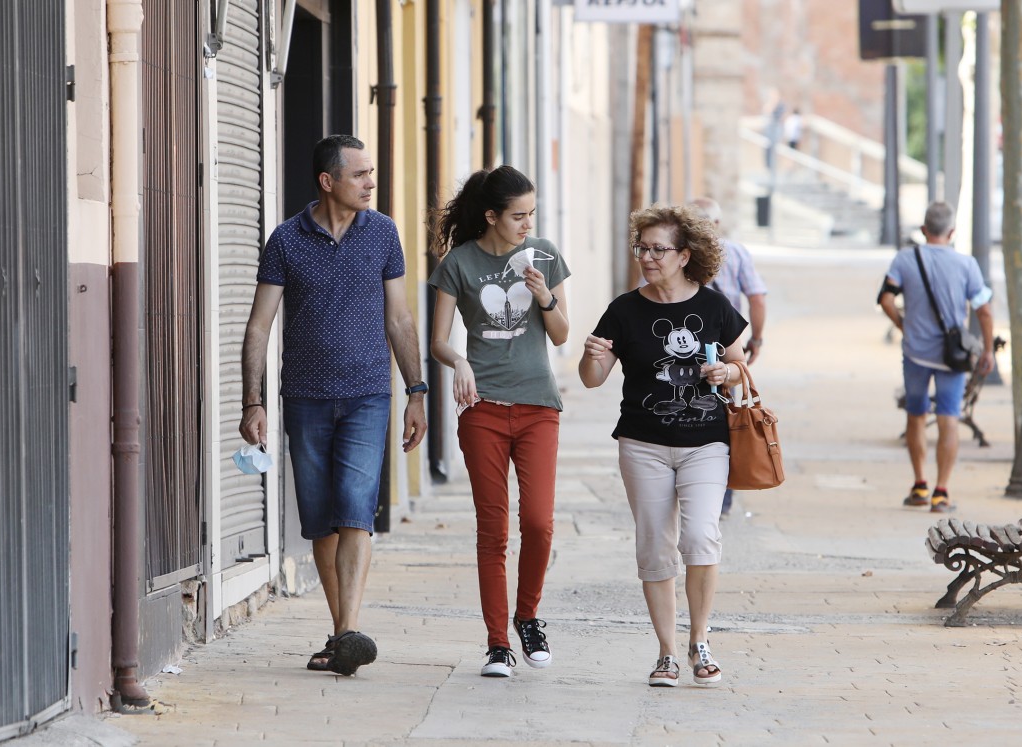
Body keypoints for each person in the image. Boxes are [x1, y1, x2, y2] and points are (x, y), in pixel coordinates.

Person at [240, 134, 427, 676]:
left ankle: (346, 632)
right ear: (328, 182)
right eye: (360, 175)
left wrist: (416, 392)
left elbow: (400, 319)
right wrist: (253, 402)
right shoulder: (285, 241)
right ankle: (342, 632)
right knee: (322, 522)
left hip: (369, 394)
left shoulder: (383, 233)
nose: (371, 182)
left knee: (355, 510)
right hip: (305, 398)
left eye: (371, 173)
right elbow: (258, 325)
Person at [580, 204, 749, 688]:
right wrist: (593, 357)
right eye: (642, 248)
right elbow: (592, 381)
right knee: (655, 547)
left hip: (705, 444)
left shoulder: (714, 306)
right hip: (642, 444)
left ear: (684, 255)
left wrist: (726, 372)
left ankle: (700, 640)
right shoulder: (624, 309)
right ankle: (666, 653)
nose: (648, 258)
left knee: (700, 538)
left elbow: (741, 366)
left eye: (659, 250)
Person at [428, 165, 571, 678]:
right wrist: (460, 362)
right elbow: (439, 339)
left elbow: (560, 335)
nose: (527, 224)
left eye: (531, 213)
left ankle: (527, 616)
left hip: (538, 407)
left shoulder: (545, 255)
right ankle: (496, 644)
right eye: (517, 216)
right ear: (491, 216)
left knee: (538, 522)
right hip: (482, 410)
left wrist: (544, 296)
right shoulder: (458, 264)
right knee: (493, 529)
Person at [877, 201, 994, 513]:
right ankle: (942, 492)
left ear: (924, 230)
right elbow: (983, 309)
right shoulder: (967, 264)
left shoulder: (905, 259)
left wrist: (903, 324)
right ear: (952, 232)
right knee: (948, 418)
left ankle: (919, 485)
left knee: (915, 415)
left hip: (915, 353)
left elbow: (886, 299)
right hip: (952, 357)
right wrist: (988, 349)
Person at [691, 196, 767, 518]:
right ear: (717, 224)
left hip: (687, 345)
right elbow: (757, 298)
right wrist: (756, 338)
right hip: (725, 346)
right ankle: (721, 498)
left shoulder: (676, 253)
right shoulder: (735, 252)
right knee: (728, 419)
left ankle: (702, 489)